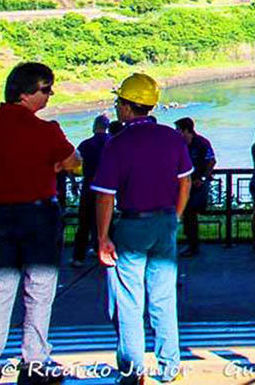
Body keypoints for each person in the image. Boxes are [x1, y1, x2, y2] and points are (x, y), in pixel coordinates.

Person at [92, 73, 192, 385]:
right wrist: (175, 215)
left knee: (128, 301)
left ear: (125, 106)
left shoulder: (117, 144)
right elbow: (185, 180)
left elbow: (105, 196)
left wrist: (103, 237)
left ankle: (133, 370)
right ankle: (169, 365)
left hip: (132, 224)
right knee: (163, 298)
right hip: (164, 223)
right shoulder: (172, 137)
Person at [0, 62, 79, 385]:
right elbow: (74, 163)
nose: (50, 95)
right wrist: (57, 164)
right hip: (39, 216)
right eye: (46, 89)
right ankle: (35, 361)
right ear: (26, 93)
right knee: (40, 289)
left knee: (1, 289)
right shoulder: (47, 131)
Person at [72, 114, 111, 267]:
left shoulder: (86, 144)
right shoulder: (112, 142)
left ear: (95, 126)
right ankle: (104, 250)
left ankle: (78, 257)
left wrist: (74, 182)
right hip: (107, 187)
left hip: (89, 186)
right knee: (106, 221)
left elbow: (73, 162)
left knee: (84, 222)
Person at [174, 117, 216, 257]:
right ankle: (191, 243)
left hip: (197, 185)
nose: (176, 132)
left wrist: (203, 178)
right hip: (183, 184)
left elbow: (211, 160)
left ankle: (193, 245)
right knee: (187, 214)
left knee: (191, 212)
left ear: (186, 130)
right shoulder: (179, 145)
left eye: (178, 129)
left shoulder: (202, 143)